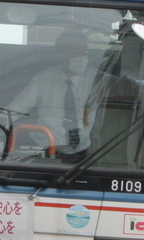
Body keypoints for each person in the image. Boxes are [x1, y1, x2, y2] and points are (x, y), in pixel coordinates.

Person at [7, 28, 127, 157]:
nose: (81, 57)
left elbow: (132, 86)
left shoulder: (97, 79)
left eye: (83, 51)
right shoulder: (43, 78)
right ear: (60, 54)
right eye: (75, 52)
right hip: (44, 148)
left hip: (83, 152)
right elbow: (15, 109)